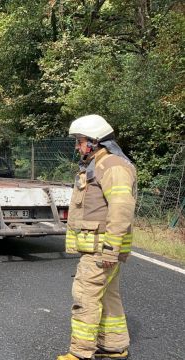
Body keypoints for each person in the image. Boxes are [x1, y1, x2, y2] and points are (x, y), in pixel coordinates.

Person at [57, 115, 136, 360]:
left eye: (80, 141)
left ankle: (80, 353)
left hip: (102, 249)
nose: (77, 146)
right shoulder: (101, 165)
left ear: (94, 141)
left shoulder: (112, 166)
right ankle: (114, 346)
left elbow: (121, 208)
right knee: (108, 296)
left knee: (85, 296)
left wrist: (110, 249)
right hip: (100, 247)